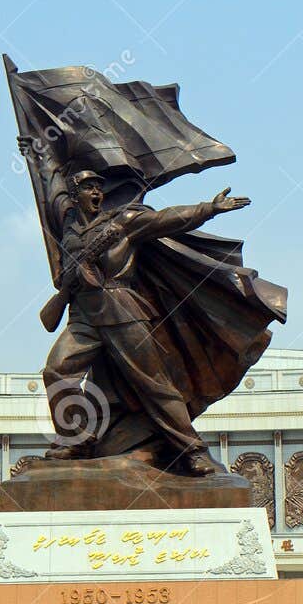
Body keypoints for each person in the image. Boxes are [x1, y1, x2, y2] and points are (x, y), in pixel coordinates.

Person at [22, 152, 250, 476]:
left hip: (122, 312)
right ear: (76, 196)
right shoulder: (69, 231)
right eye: (88, 188)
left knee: (154, 385)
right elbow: (52, 193)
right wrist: (40, 154)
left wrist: (208, 209)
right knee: (56, 371)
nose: (96, 193)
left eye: (99, 187)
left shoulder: (122, 223)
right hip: (83, 318)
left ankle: (193, 450)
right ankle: (78, 439)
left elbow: (167, 219)